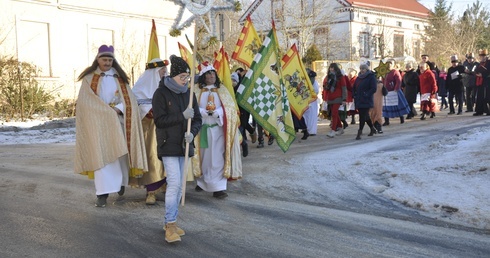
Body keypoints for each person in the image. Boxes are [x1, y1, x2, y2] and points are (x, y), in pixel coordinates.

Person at [74, 45, 148, 208]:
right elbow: (86, 103)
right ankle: (102, 194)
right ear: (97, 60)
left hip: (118, 123)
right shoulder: (88, 79)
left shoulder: (120, 78)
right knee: (102, 159)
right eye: (104, 59)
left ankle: (120, 183)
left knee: (120, 156)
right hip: (98, 124)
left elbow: (130, 101)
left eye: (110, 60)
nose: (107, 63)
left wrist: (118, 109)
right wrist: (104, 112)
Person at [152, 55, 202, 243]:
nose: (186, 80)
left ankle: (170, 221)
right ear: (173, 76)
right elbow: (159, 120)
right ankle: (170, 225)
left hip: (184, 145)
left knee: (180, 186)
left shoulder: (190, 95)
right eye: (182, 77)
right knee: (173, 184)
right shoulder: (161, 94)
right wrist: (182, 116)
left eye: (188, 77)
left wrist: (192, 133)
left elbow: (197, 119)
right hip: (168, 145)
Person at [192, 63, 242, 199]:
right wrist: (202, 112)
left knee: (217, 158)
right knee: (203, 157)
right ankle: (202, 182)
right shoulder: (196, 90)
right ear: (203, 76)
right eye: (208, 74)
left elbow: (231, 109)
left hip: (217, 130)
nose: (211, 76)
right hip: (201, 130)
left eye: (213, 73)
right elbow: (192, 107)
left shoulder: (222, 90)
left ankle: (218, 187)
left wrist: (218, 113)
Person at [132, 58, 169, 205]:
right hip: (149, 129)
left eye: (165, 71)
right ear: (154, 73)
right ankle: (151, 191)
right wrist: (149, 111)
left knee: (168, 158)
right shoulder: (140, 88)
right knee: (152, 158)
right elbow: (135, 105)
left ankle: (167, 188)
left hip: (166, 128)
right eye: (162, 72)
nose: (165, 74)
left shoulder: (168, 85)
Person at [353, 63, 377, 140]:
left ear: (367, 69)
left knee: (362, 116)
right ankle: (372, 129)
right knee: (365, 116)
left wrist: (366, 94)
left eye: (363, 69)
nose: (362, 70)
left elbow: (373, 88)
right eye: (361, 69)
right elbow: (354, 87)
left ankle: (359, 132)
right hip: (359, 99)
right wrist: (355, 95)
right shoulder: (358, 77)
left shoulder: (370, 77)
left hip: (366, 100)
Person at [382, 60, 410, 125]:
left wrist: (396, 88)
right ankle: (386, 120)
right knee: (386, 106)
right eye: (387, 63)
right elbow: (383, 80)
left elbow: (399, 80)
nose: (389, 65)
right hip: (387, 92)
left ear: (393, 65)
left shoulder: (395, 72)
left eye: (390, 63)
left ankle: (401, 118)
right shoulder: (384, 72)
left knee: (397, 105)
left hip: (394, 91)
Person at [324, 63, 347, 138]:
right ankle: (340, 128)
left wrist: (344, 99)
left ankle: (333, 130)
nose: (331, 69)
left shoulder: (340, 77)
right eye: (330, 68)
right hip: (330, 97)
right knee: (335, 114)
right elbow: (326, 88)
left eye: (333, 68)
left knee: (334, 113)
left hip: (338, 97)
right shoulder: (329, 77)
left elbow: (344, 88)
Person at [303, 68, 319, 136]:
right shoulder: (305, 81)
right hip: (306, 100)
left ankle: (312, 131)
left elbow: (316, 91)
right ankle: (307, 129)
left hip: (312, 100)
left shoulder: (314, 82)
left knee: (312, 116)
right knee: (306, 116)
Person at [474, 49, 490, 116]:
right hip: (480, 82)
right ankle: (479, 110)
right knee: (479, 96)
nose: (482, 57)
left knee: (487, 97)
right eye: (481, 56)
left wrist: (483, 75)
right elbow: (476, 70)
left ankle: (488, 110)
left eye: (483, 56)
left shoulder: (489, 63)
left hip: (487, 82)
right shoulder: (479, 64)